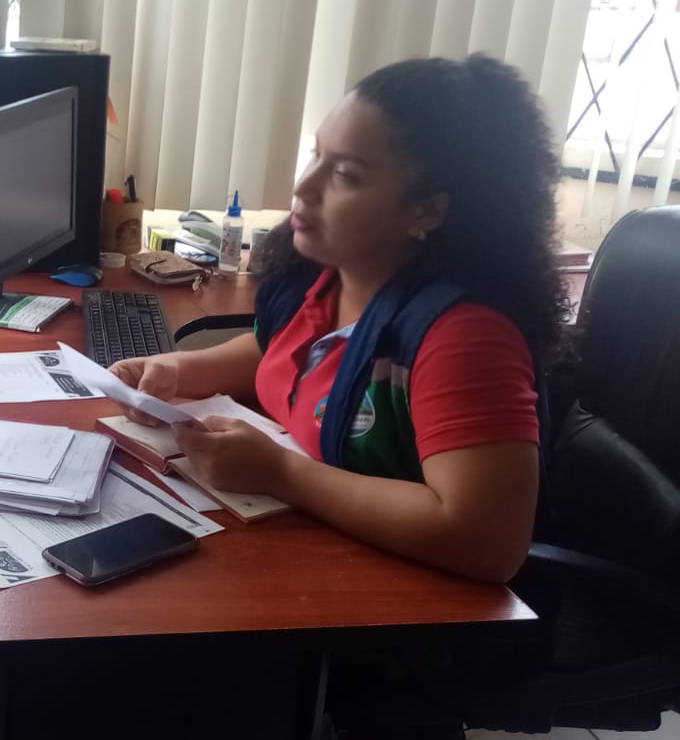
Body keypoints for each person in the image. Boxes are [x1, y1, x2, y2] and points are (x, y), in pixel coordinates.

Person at [112, 54, 561, 583]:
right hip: (299, 558)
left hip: (396, 608)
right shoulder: (327, 274)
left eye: (346, 174)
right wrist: (179, 370)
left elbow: (487, 541)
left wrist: (281, 472)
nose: (304, 186)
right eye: (317, 155)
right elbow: (284, 354)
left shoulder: (463, 336)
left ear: (427, 211)